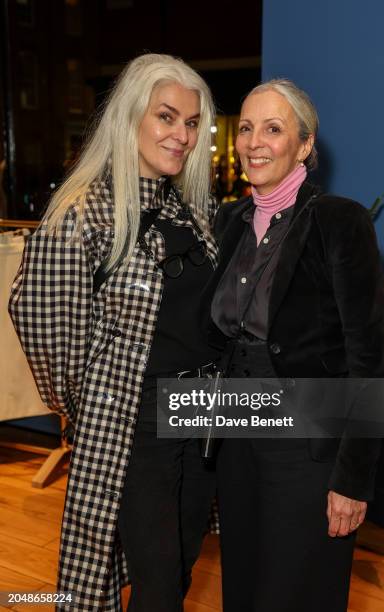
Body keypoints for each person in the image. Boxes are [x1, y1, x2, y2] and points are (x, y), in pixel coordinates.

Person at [9, 53, 220, 611]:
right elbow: (43, 325)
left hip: (202, 415)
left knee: (179, 565)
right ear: (129, 118)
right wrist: (88, 409)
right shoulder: (81, 215)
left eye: (192, 122)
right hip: (135, 425)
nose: (182, 135)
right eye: (167, 117)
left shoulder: (190, 209)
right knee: (154, 579)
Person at [204, 79, 384, 612]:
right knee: (242, 585)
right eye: (246, 127)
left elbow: (368, 359)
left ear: (305, 145)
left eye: (274, 128)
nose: (254, 141)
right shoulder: (229, 221)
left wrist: (353, 479)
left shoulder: (339, 220)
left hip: (307, 446)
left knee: (296, 593)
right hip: (237, 435)